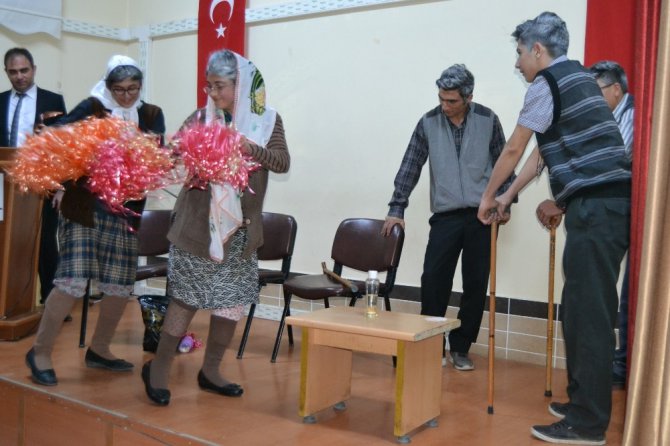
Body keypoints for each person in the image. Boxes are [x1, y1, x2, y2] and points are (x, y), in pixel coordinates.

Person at [477, 12, 630, 445]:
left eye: (520, 53)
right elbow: (540, 157)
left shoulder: (547, 84)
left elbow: (513, 148)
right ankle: (582, 403)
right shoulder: (579, 80)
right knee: (582, 309)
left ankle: (587, 424)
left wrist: (487, 197)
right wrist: (508, 196)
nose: (517, 63)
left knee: (590, 315)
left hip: (598, 208)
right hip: (601, 206)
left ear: (537, 50)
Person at [141, 49, 290, 406]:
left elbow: (282, 162)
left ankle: (211, 370)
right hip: (196, 228)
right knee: (184, 299)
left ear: (240, 86)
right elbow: (173, 157)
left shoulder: (268, 121)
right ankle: (158, 369)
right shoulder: (200, 118)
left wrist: (247, 147)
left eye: (219, 86)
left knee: (231, 303)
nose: (212, 94)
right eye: (208, 86)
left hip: (241, 232)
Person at [25, 55, 166, 386]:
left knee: (118, 286)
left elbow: (156, 152)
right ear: (108, 86)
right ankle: (40, 352)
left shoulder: (151, 114)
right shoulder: (92, 106)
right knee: (72, 281)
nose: (127, 96)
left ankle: (99, 349)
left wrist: (138, 148)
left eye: (133, 89)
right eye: (119, 89)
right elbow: (57, 132)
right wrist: (85, 141)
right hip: (84, 208)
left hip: (125, 210)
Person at [381, 64, 513, 371]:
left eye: (451, 100)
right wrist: (396, 207)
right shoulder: (428, 122)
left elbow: (503, 161)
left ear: (468, 97)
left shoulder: (487, 119)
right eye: (441, 98)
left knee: (476, 284)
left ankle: (461, 347)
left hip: (482, 216)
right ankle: (432, 343)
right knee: (433, 280)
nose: (445, 105)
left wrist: (506, 201)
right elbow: (411, 164)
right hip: (446, 216)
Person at [1, 48, 67, 305]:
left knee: (45, 243)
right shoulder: (0, 101)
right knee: (6, 241)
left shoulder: (53, 101)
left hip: (43, 183)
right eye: (13, 72)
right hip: (5, 184)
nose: (19, 76)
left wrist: (62, 187)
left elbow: (64, 148)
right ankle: (8, 299)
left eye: (24, 70)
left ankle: (50, 303)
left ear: (34, 69)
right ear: (6, 73)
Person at [589, 60, 634, 388]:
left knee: (630, 294)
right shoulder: (602, 118)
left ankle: (624, 366)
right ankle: (616, 367)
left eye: (596, 92)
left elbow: (617, 160)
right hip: (611, 211)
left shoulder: (630, 116)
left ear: (615, 89)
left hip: (627, 211)